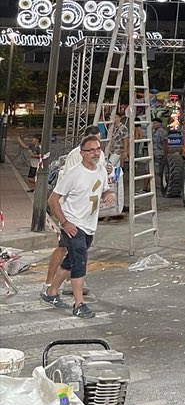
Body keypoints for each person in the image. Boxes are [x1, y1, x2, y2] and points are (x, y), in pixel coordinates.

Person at [41, 134, 115, 318]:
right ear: (82, 153)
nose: (96, 153)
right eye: (91, 150)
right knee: (80, 262)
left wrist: (108, 195)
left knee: (70, 262)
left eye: (98, 149)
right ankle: (79, 304)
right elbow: (53, 200)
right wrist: (65, 223)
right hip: (74, 224)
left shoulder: (100, 171)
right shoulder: (73, 174)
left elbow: (105, 189)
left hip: (89, 225)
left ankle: (51, 293)